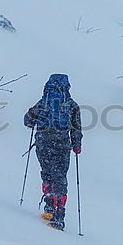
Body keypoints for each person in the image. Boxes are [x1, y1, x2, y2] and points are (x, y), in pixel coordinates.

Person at [24, 74, 82, 230]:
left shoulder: (43, 102)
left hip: (43, 144)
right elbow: (76, 129)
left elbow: (27, 120)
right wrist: (77, 146)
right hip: (62, 145)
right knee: (60, 177)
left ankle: (49, 206)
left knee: (47, 173)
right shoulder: (72, 105)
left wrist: (35, 120)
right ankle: (59, 215)